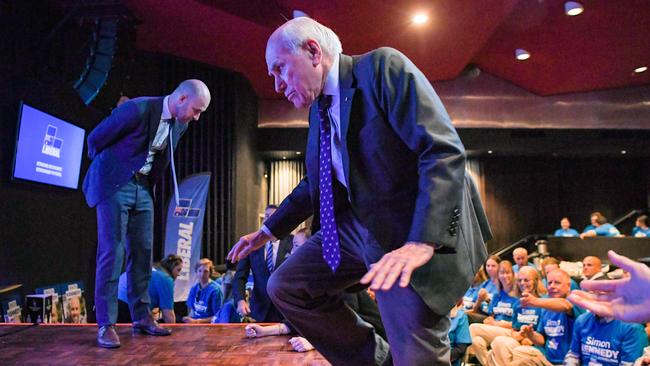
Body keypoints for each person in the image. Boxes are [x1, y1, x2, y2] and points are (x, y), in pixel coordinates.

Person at [227, 17, 490, 365]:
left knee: (417, 358)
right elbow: (315, 184)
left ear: (313, 51)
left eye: (279, 69)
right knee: (286, 286)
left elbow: (441, 150)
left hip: (410, 229)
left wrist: (421, 242)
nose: (276, 84)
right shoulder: (318, 111)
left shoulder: (382, 67)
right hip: (356, 229)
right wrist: (267, 230)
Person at [82, 79, 211, 348]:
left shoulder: (181, 123)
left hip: (143, 187)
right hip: (116, 184)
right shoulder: (138, 109)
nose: (197, 118)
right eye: (197, 110)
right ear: (182, 99)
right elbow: (95, 139)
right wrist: (110, 172)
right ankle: (106, 324)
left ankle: (142, 317)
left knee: (143, 252)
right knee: (112, 251)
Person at [490, 268, 584, 366]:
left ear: (568, 286)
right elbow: (542, 339)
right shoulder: (545, 308)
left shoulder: (574, 300)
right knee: (499, 349)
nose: (552, 286)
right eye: (550, 283)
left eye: (557, 283)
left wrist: (535, 301)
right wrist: (530, 334)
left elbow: (565, 306)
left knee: (519, 355)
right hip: (547, 360)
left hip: (567, 362)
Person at [233, 205, 293, 323]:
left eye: (273, 217)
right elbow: (240, 276)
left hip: (285, 310)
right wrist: (240, 300)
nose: (268, 220)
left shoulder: (292, 242)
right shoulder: (251, 243)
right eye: (266, 216)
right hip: (258, 310)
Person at [568, 251, 650, 323]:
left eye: (589, 265)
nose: (585, 268)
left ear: (599, 267)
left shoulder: (604, 283)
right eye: (584, 265)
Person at [563, 311, 648, 365]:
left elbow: (629, 364)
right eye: (592, 293)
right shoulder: (582, 320)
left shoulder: (632, 327)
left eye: (602, 294)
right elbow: (574, 354)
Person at [118, 254, 183, 324]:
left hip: (114, 305)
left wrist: (182, 319)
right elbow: (168, 316)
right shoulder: (166, 279)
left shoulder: (150, 270)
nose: (178, 274)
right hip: (128, 309)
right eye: (178, 270)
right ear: (171, 267)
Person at [184, 258, 223, 323]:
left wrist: (197, 321)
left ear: (210, 273)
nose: (202, 274)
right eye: (200, 271)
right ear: (196, 272)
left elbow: (217, 316)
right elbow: (191, 310)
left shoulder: (215, 290)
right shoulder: (194, 288)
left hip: (209, 326)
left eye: (205, 271)